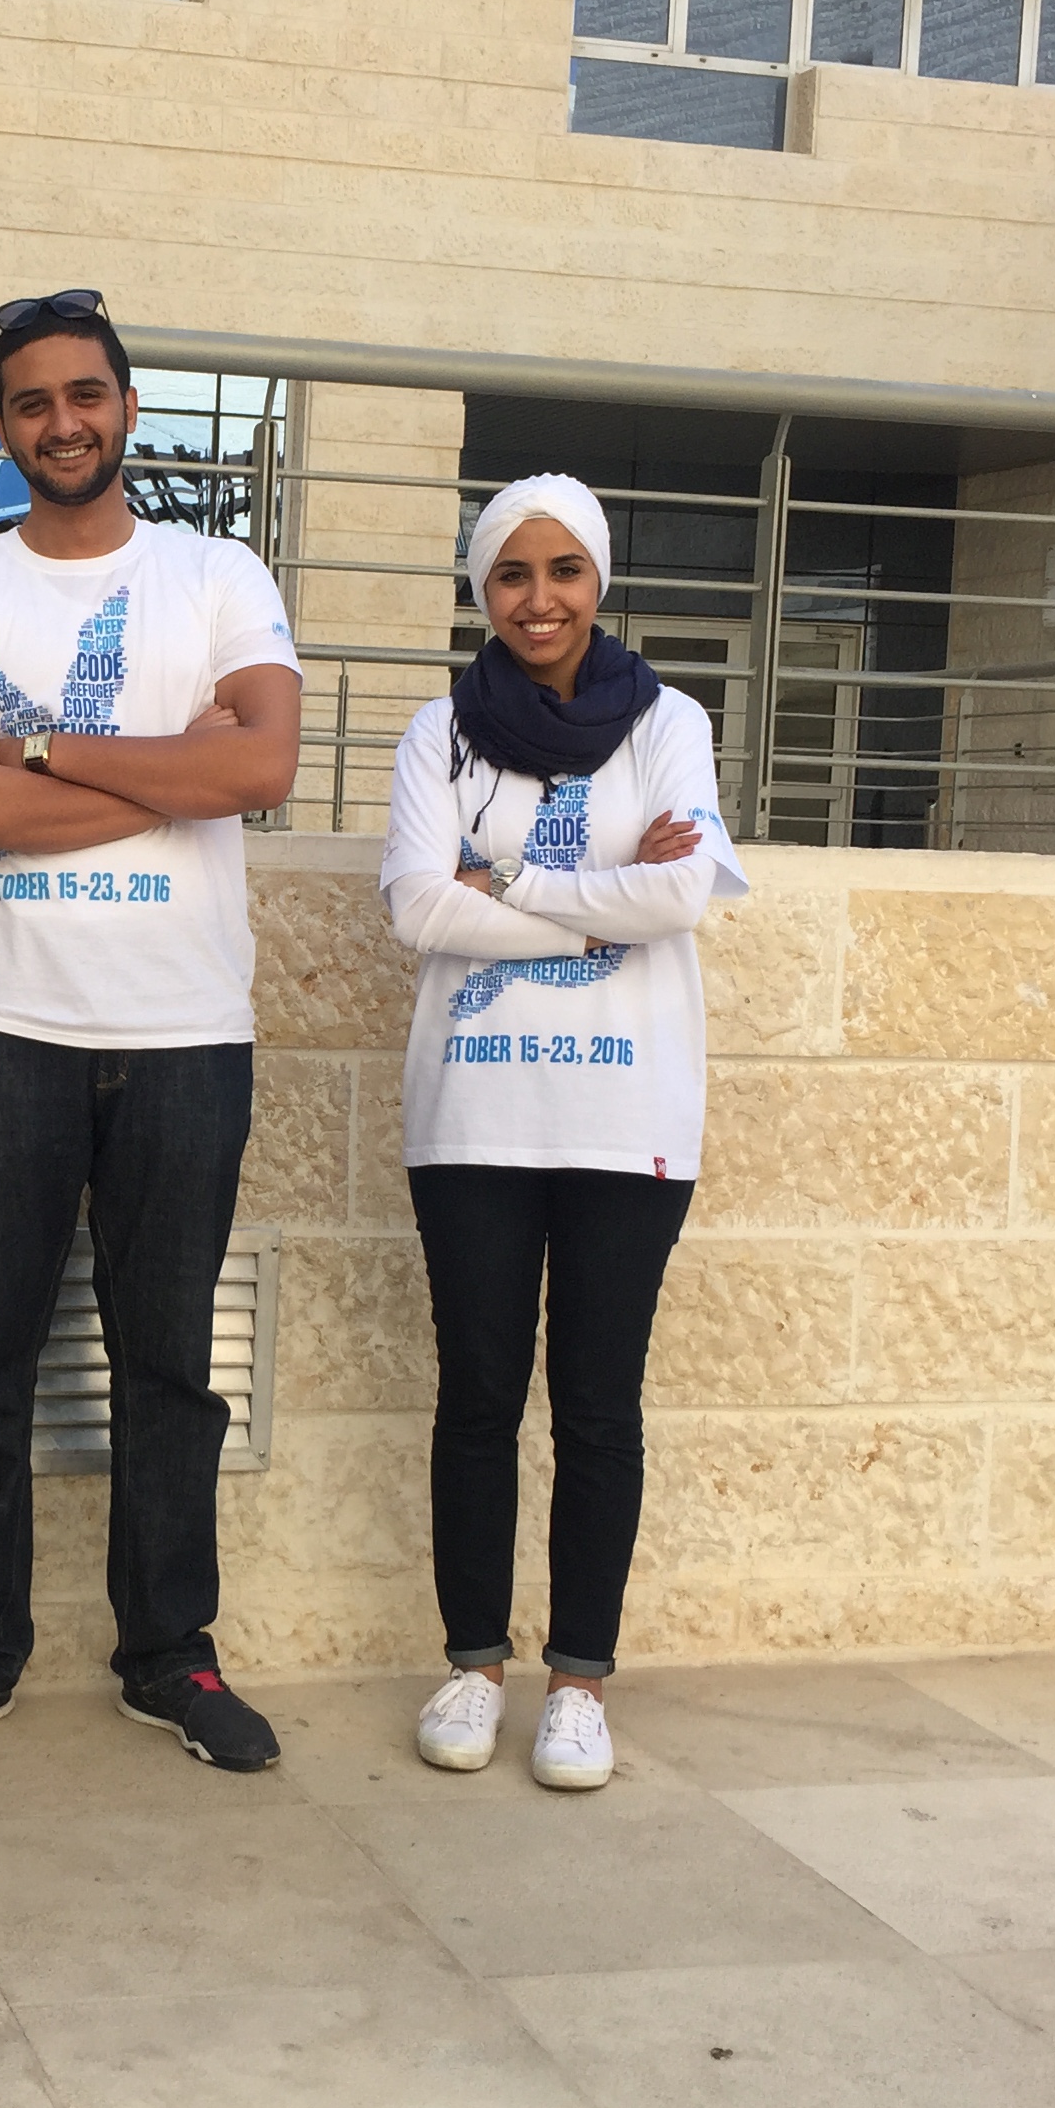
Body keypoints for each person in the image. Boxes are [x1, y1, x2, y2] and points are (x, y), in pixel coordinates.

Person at [0, 288, 305, 1773]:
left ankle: (172, 1657)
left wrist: (46, 749)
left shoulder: (218, 572)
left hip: (186, 1032)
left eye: (84, 395)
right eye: (31, 402)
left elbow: (263, 767)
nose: (61, 422)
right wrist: (172, 776)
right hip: (2, 1026)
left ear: (127, 406)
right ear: (3, 426)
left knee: (169, 1362)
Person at [378, 472, 745, 1790]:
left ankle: (579, 1682)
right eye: (513, 574)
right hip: (474, 1115)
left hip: (626, 1118)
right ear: (484, 590)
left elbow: (683, 892)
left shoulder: (669, 722)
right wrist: (604, 901)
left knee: (597, 1405)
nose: (540, 600)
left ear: (598, 578)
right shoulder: (440, 734)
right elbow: (418, 907)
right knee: (478, 1397)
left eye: (565, 570)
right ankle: (474, 1665)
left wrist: (512, 881)